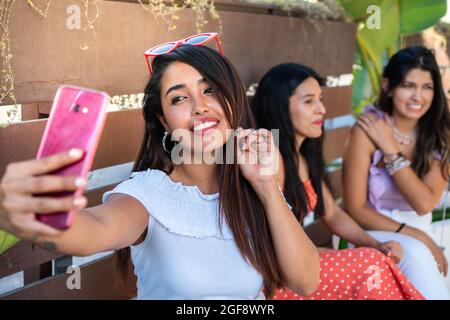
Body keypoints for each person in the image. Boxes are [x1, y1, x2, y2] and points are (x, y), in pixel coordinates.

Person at [0, 35, 320, 299]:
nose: (200, 107)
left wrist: (267, 188)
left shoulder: (258, 177)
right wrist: (33, 216)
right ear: (164, 122)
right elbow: (95, 229)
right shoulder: (148, 193)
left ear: (233, 98)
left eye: (209, 89)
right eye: (179, 99)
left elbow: (306, 282)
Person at [251, 63, 424, 300]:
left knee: (376, 259)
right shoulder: (273, 162)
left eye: (320, 99)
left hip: (300, 266)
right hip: (278, 278)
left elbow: (331, 212)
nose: (321, 109)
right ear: (279, 105)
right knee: (370, 266)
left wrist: (373, 243)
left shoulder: (301, 156)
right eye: (309, 101)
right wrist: (325, 252)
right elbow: (270, 242)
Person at [343, 46, 450, 300]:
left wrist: (390, 149)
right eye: (408, 85)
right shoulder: (366, 130)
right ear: (388, 86)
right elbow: (355, 209)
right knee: (417, 254)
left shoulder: (440, 133)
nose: (418, 96)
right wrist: (420, 236)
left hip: (422, 228)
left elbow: (423, 203)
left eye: (427, 87)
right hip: (374, 229)